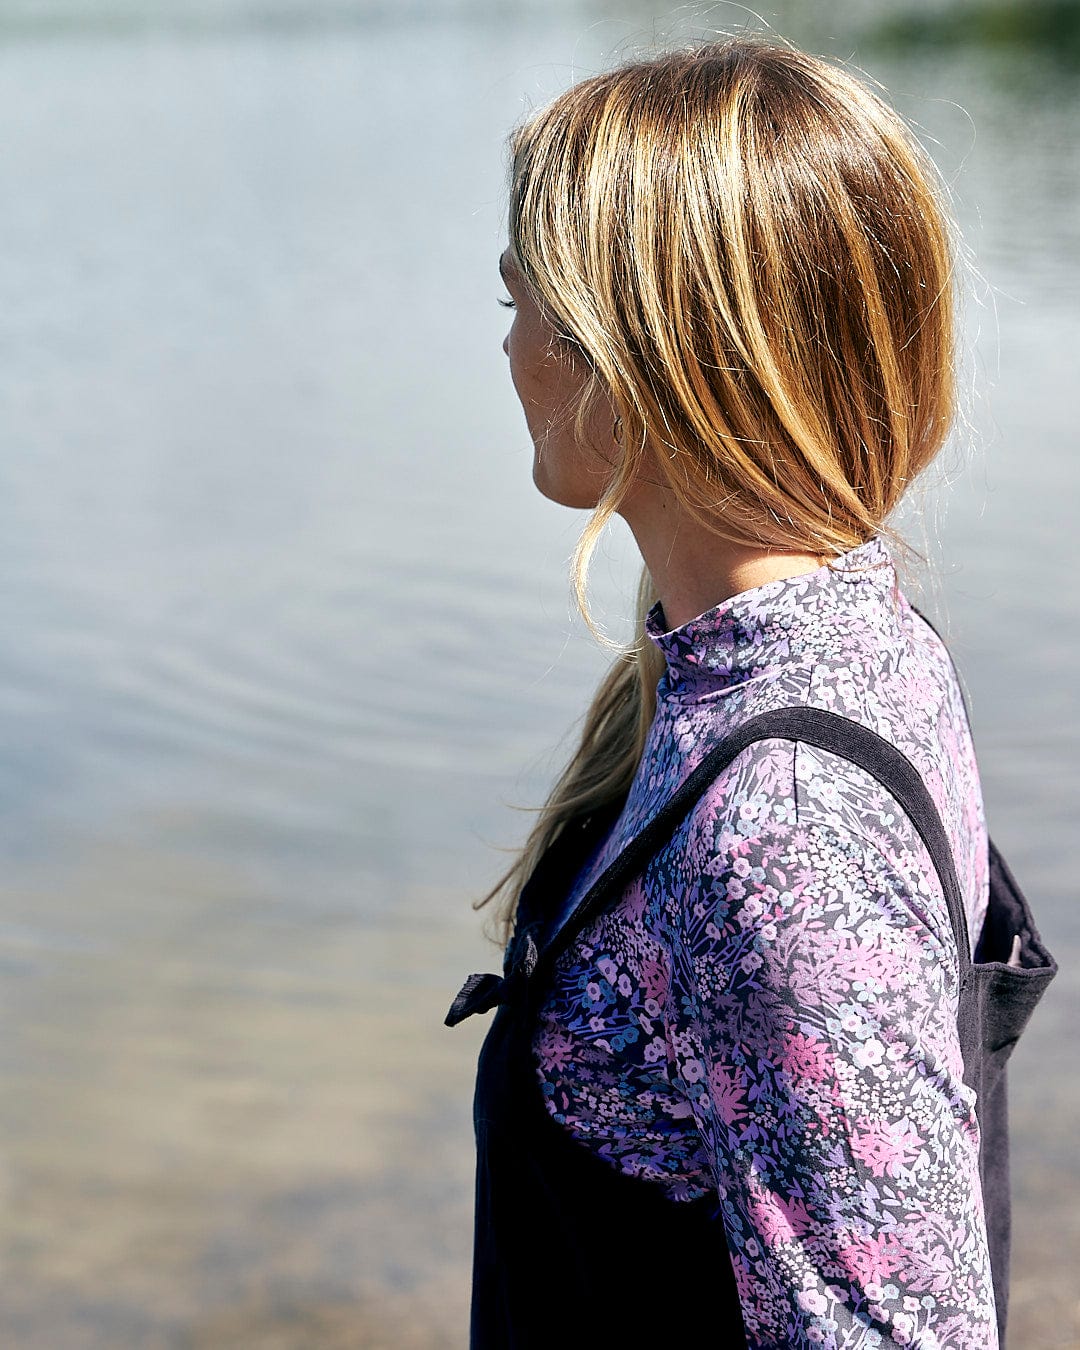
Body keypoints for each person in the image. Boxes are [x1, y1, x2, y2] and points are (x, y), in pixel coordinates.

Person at [457, 36, 1000, 1349]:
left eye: (519, 298)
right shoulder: (833, 635)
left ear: (620, 354)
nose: (510, 344)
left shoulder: (788, 837)